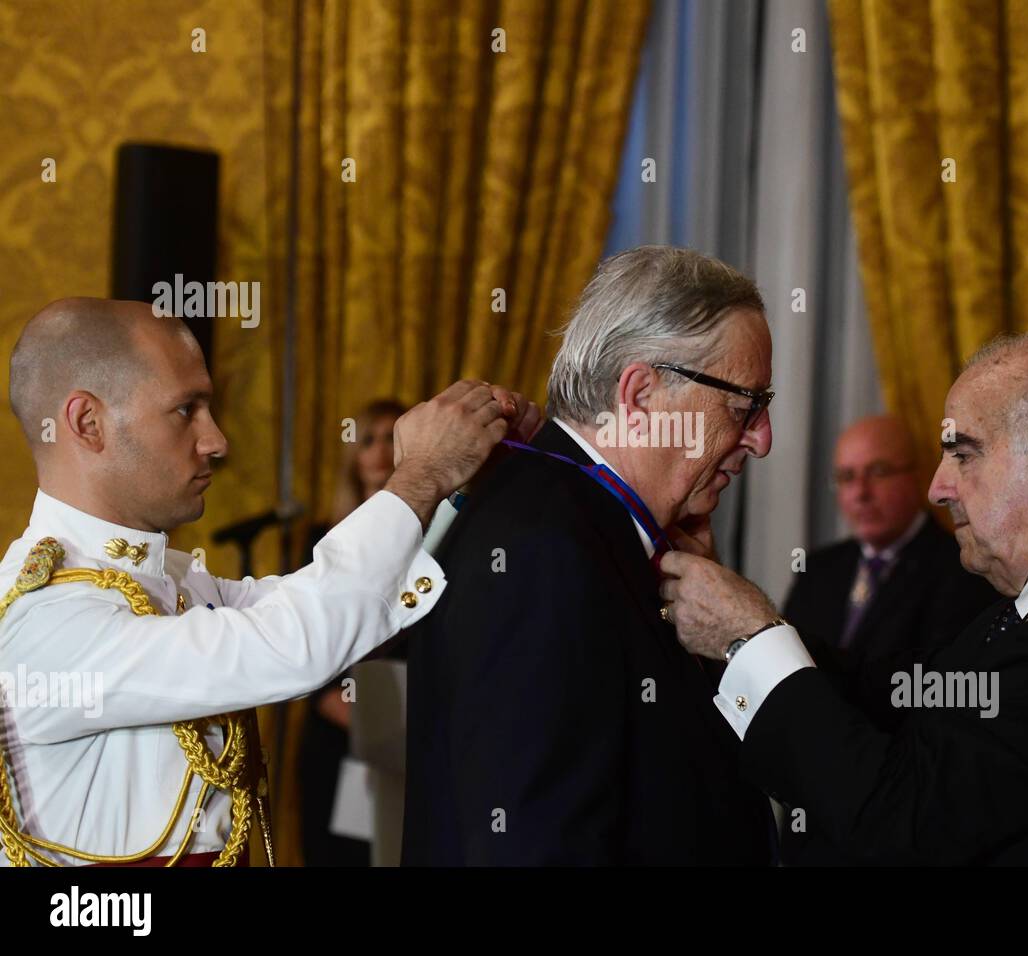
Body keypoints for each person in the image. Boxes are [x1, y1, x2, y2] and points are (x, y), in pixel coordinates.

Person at [0, 297, 533, 867]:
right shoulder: (44, 614)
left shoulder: (171, 578)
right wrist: (422, 474)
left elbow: (334, 615)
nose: (217, 440)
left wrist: (453, 489)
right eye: (186, 410)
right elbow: (293, 644)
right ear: (87, 422)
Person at [660, 332, 1028, 865]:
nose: (938, 487)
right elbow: (890, 709)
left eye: (963, 453)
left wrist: (749, 640)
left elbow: (902, 824)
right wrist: (743, 624)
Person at [402, 246, 777, 865]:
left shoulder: (588, 524)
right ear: (642, 393)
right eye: (744, 407)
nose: (762, 439)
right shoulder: (542, 546)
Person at [783, 415, 997, 731]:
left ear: (919, 474)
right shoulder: (818, 568)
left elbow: (936, 694)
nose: (860, 493)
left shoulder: (965, 570)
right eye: (846, 477)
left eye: (878, 472)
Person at [298, 398, 406, 867]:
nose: (380, 451)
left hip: (411, 726)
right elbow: (307, 648)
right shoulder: (323, 541)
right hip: (341, 733)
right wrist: (376, 727)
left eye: (391, 438)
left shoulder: (439, 535)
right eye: (368, 440)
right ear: (353, 456)